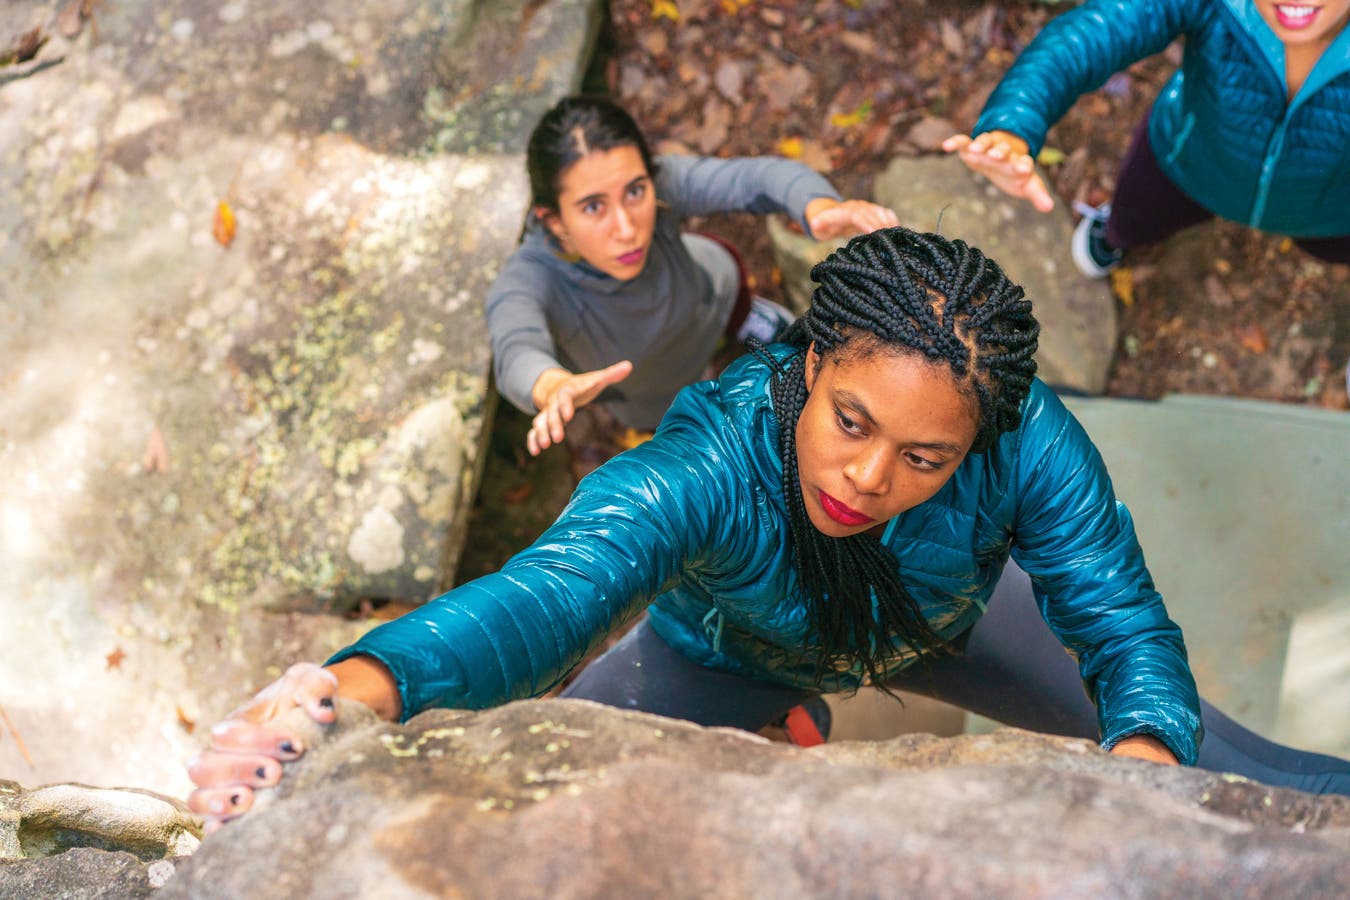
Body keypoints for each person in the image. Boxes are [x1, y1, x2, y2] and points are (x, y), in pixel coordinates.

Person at [188, 228, 1350, 829]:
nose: (868, 475)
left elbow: (1116, 612)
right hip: (723, 654)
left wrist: (1144, 766)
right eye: (851, 420)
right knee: (526, 797)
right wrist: (355, 687)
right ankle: (780, 717)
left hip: (948, 622)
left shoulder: (1026, 434)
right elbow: (553, 593)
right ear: (804, 359)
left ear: (979, 436)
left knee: (1242, 775)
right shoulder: (710, 463)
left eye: (925, 459)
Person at [489, 95, 899, 462]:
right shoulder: (530, 276)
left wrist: (818, 206)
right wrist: (550, 386)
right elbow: (516, 345)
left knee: (733, 293)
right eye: (593, 207)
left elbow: (755, 179)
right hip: (649, 386)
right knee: (674, 416)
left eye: (635, 192)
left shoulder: (664, 182)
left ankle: (748, 323)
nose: (626, 227)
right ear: (554, 220)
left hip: (710, 297)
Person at [941, 0, 1350, 278]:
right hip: (1187, 164)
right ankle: (1115, 235)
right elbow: (1095, 32)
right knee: (1135, 217)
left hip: (1330, 210)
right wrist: (1014, 122)